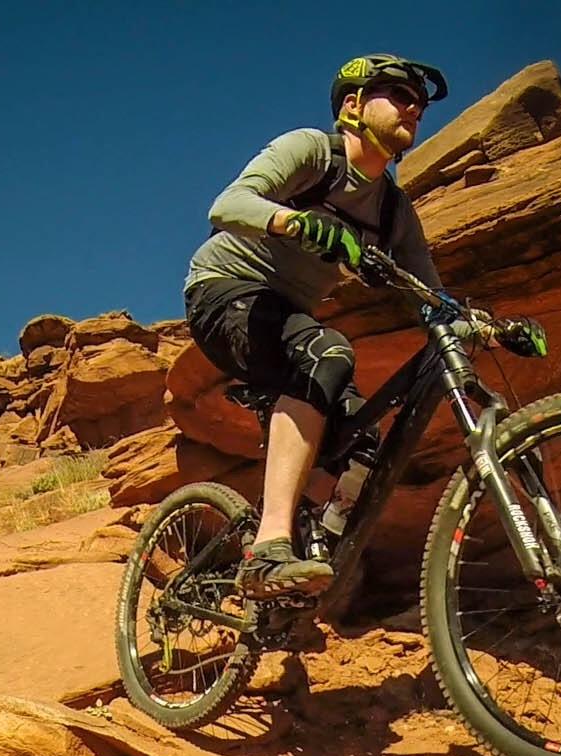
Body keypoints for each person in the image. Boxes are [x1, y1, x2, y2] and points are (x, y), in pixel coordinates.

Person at [183, 53, 449, 601]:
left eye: (417, 103)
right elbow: (228, 205)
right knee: (325, 354)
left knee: (365, 443)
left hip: (288, 318)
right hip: (224, 291)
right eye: (398, 94)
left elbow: (431, 295)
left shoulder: (393, 212)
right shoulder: (311, 151)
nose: (413, 106)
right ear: (353, 106)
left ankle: (309, 550)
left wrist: (485, 325)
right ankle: (267, 550)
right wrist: (297, 222)